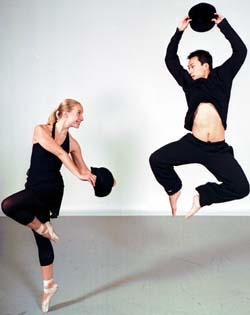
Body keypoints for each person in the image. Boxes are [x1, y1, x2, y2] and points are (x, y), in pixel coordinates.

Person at [149, 13, 249, 218]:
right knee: (157, 159)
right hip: (193, 145)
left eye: (192, 66)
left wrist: (223, 24)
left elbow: (241, 51)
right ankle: (174, 188)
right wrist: (179, 32)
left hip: (218, 150)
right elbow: (170, 60)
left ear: (206, 65)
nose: (190, 70)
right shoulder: (189, 83)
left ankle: (202, 197)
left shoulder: (223, 76)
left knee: (241, 188)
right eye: (188, 68)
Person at [1, 99, 96, 312]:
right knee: (42, 241)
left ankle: (43, 227)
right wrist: (79, 173)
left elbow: (83, 168)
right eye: (79, 113)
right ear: (64, 113)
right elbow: (60, 154)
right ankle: (49, 285)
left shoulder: (73, 143)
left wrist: (95, 177)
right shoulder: (40, 130)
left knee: (8, 205)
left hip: (50, 189)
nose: (82, 118)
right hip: (33, 187)